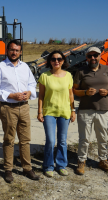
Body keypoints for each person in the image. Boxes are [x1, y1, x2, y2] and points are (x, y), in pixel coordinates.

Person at [0, 39, 40, 183]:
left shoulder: (25, 67)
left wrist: (30, 93)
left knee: (25, 139)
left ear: (20, 52)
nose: (14, 52)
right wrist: (11, 95)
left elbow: (32, 83)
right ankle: (8, 169)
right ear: (7, 50)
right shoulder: (0, 67)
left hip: (24, 107)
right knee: (9, 139)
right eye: (12, 50)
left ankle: (27, 168)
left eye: (17, 50)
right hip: (8, 107)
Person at [37, 50, 75, 178]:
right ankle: (48, 166)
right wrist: (39, 112)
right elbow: (41, 96)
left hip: (65, 112)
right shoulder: (45, 76)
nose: (56, 61)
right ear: (49, 62)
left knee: (62, 141)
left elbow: (71, 95)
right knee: (50, 140)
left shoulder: (69, 75)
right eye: (53, 59)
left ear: (63, 61)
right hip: (49, 112)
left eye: (59, 59)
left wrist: (73, 110)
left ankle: (61, 165)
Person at [73, 47, 108, 175]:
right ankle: (81, 161)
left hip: (103, 110)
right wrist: (85, 92)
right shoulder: (81, 71)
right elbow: (74, 90)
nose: (93, 58)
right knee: (84, 138)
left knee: (103, 137)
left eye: (96, 55)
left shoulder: (106, 69)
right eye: (90, 56)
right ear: (86, 58)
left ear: (100, 56)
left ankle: (103, 159)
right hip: (85, 110)